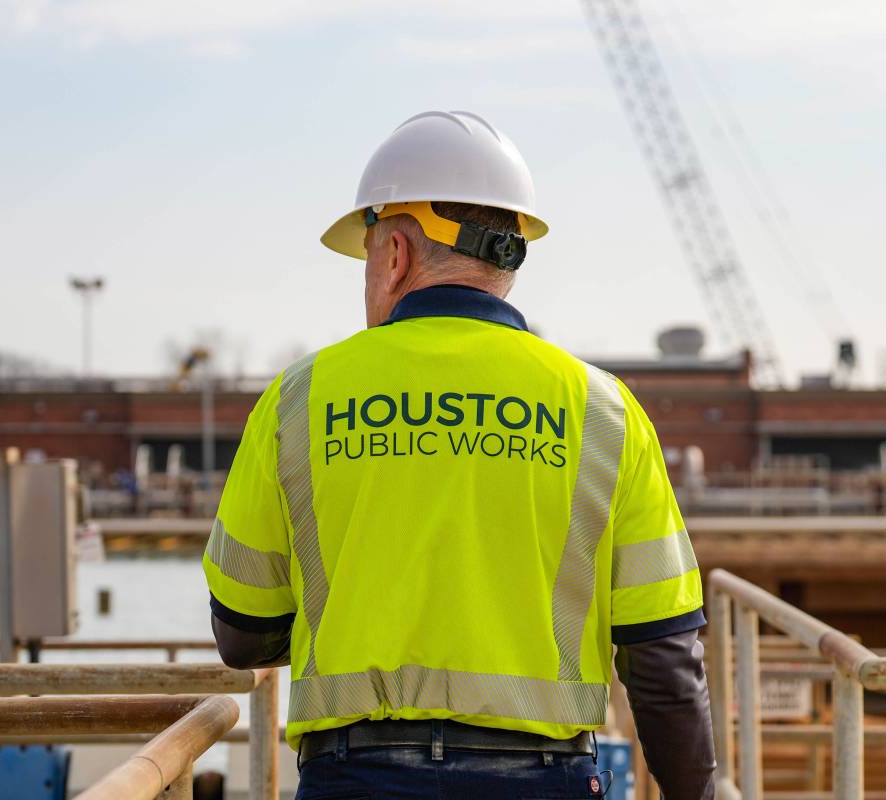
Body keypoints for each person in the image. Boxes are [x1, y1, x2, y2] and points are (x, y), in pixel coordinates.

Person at [204, 110, 715, 799]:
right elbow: (662, 658)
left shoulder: (298, 401)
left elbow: (243, 636)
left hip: (352, 777)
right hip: (544, 779)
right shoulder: (603, 411)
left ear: (394, 254)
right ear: (509, 256)